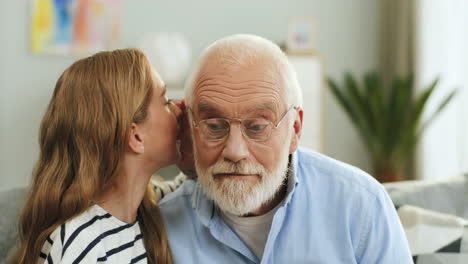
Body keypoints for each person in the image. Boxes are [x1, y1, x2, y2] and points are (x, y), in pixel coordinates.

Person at [160, 34, 413, 263]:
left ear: (295, 130)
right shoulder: (162, 226)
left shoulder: (361, 205)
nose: (235, 151)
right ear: (189, 126)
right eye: (214, 126)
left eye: (258, 127)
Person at [13, 48, 181, 264]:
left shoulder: (145, 204)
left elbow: (200, 183)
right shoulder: (82, 244)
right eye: (166, 101)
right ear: (136, 136)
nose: (178, 110)